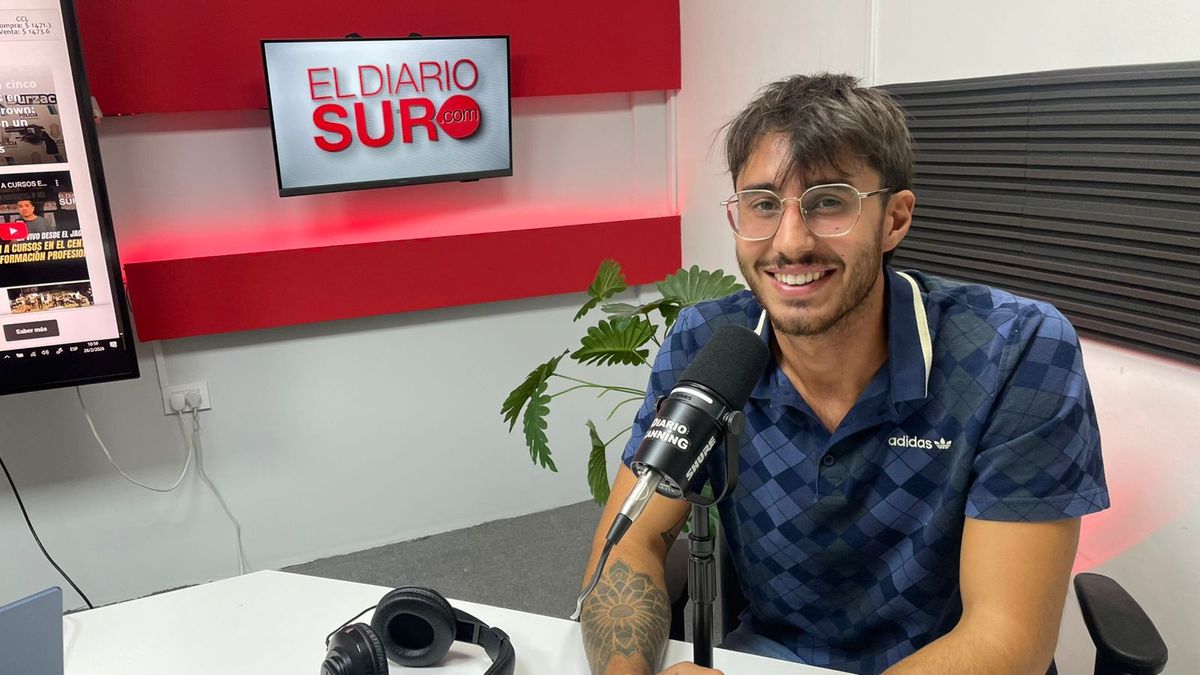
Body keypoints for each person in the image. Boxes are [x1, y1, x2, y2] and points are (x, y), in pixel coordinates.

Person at [579, 73, 1108, 675]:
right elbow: (630, 545)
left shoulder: (1015, 350)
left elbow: (1007, 637)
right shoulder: (707, 345)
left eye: (828, 202)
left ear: (895, 219)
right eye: (762, 205)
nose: (790, 242)